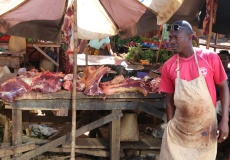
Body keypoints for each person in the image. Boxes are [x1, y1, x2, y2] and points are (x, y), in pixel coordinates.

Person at [159, 20, 229, 160]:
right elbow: (169, 99)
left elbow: (224, 87)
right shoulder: (168, 66)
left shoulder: (210, 58)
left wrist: (225, 120)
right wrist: (169, 125)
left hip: (205, 129)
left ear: (190, 37)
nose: (171, 41)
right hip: (179, 130)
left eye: (176, 37)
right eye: (170, 37)